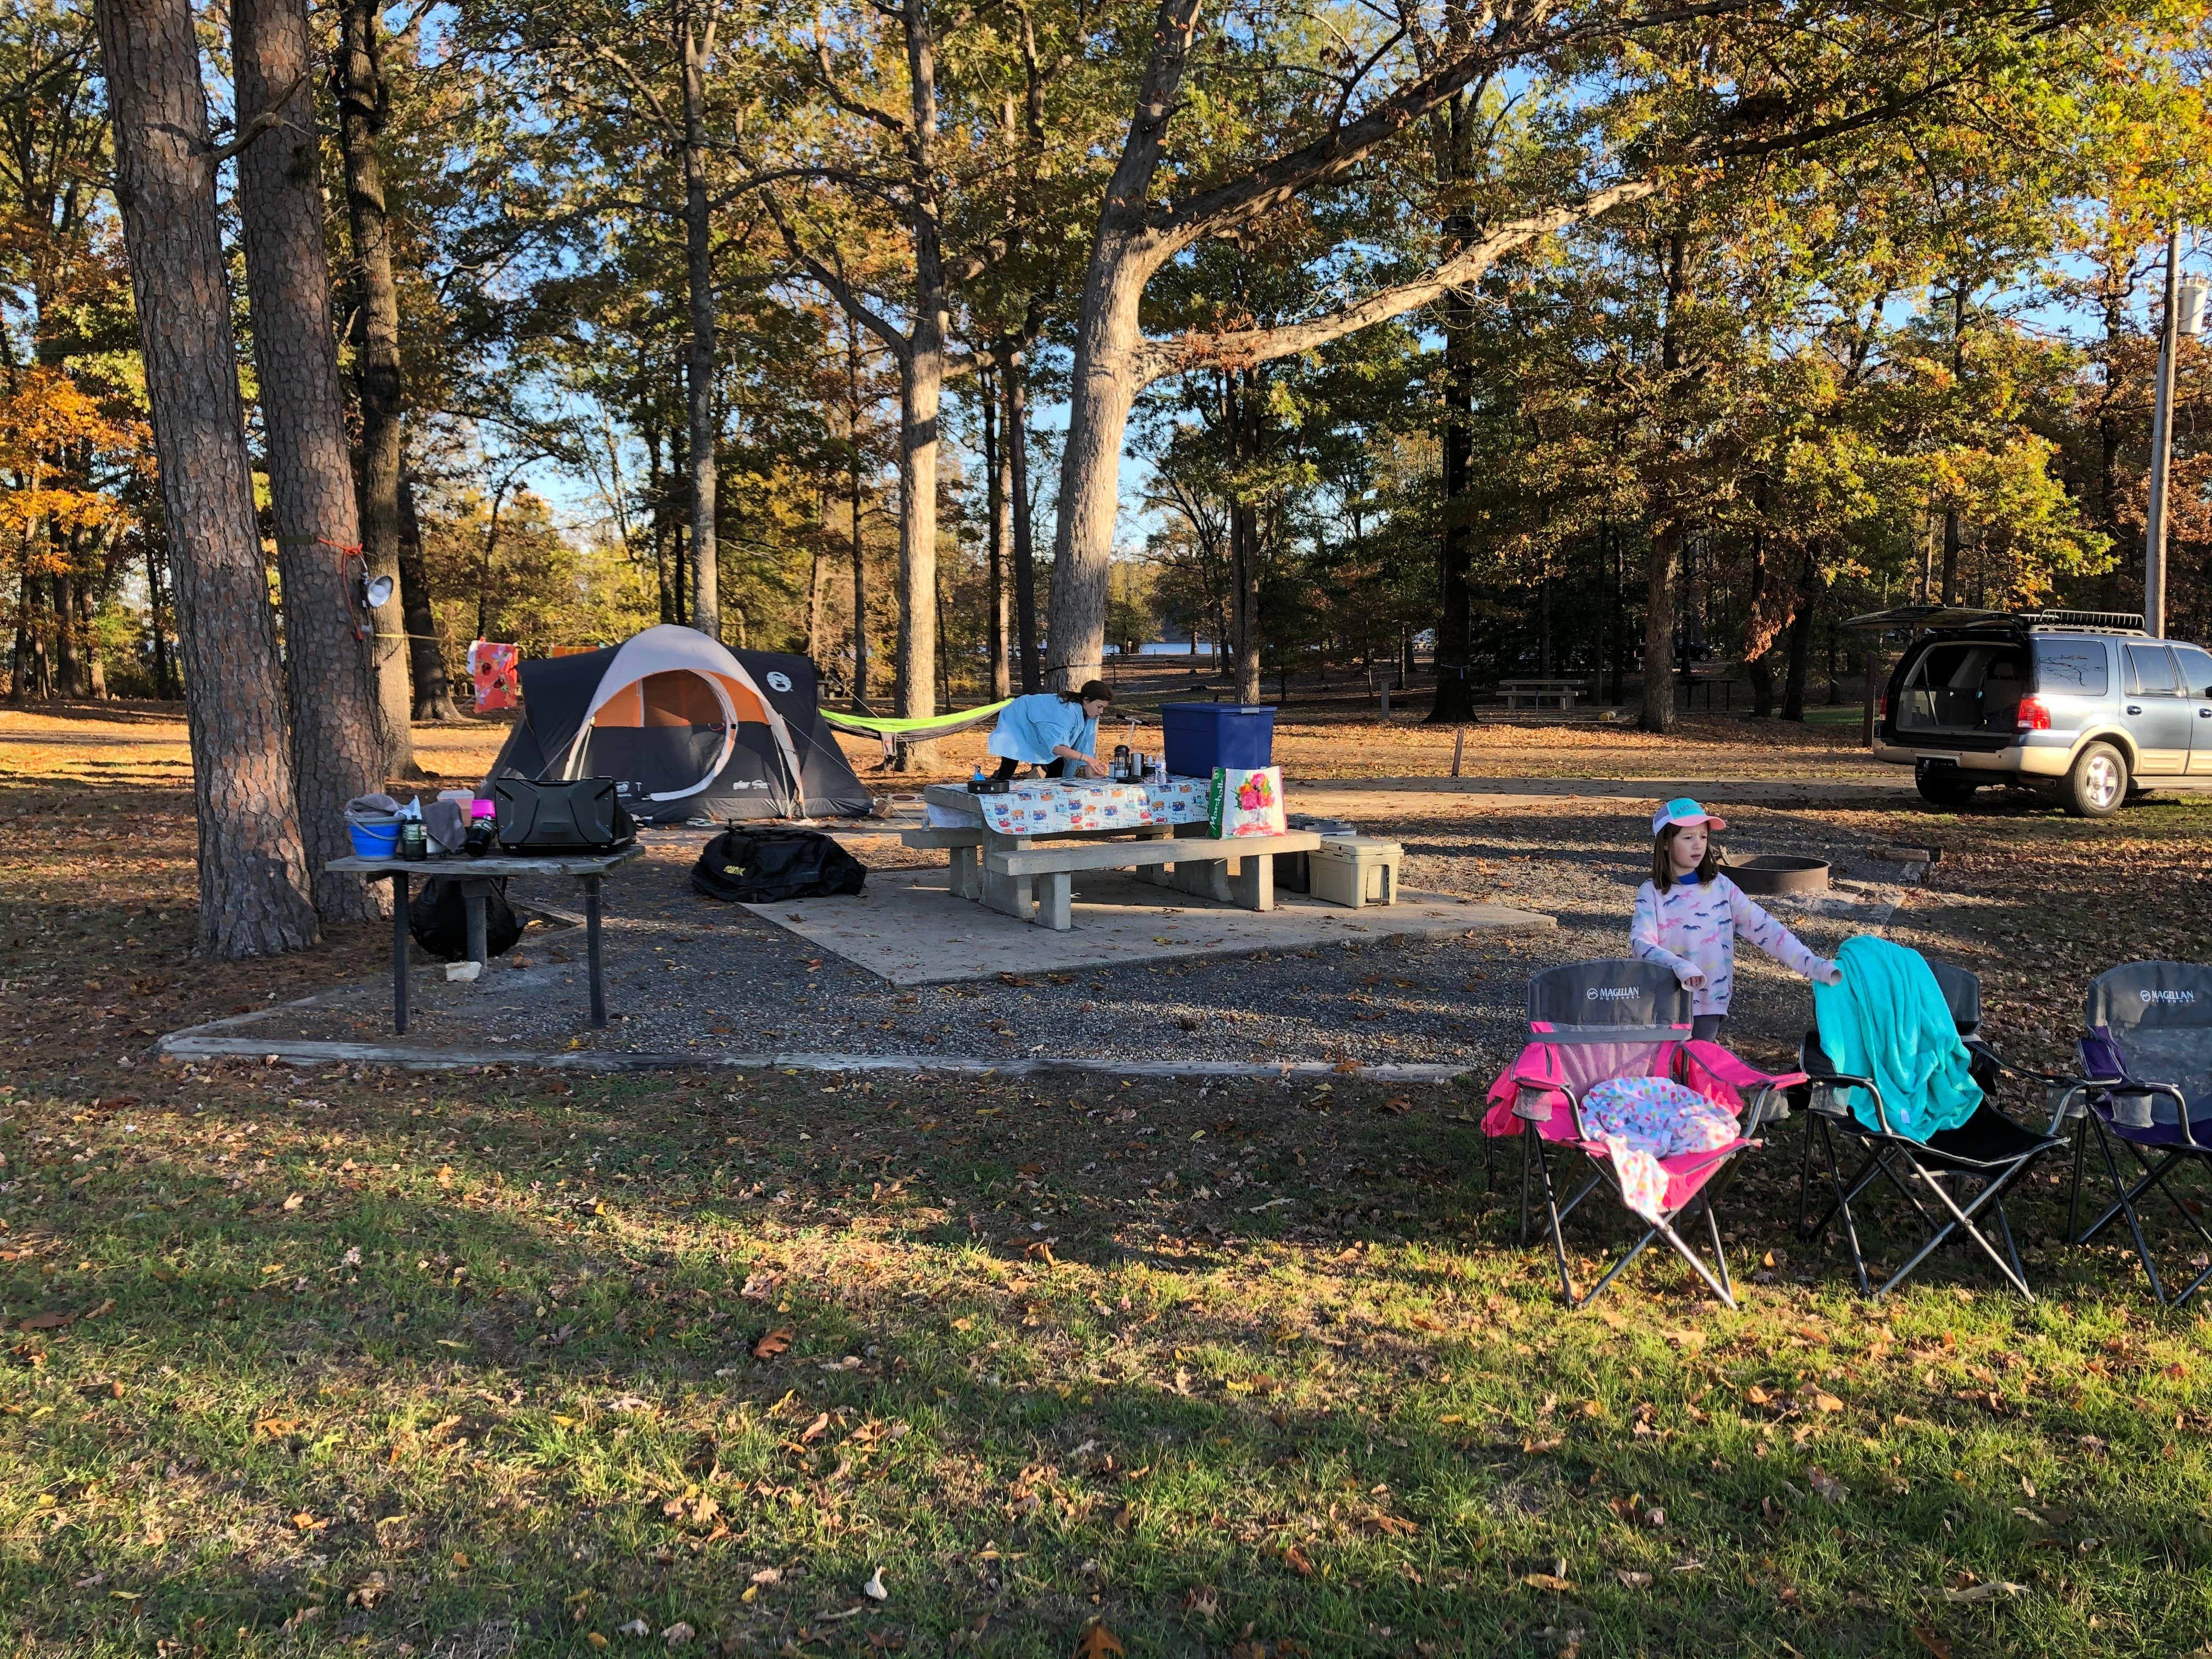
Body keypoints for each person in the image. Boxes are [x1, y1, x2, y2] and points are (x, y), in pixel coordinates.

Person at [1630, 797, 1841, 1040]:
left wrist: (1813, 966)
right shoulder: (1651, 893)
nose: (1698, 845)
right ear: (1665, 843)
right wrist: (1680, 967)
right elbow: (1642, 944)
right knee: (1666, 1073)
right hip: (1665, 1004)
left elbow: (1766, 928)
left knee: (1699, 1069)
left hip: (1711, 1003)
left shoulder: (1722, 888)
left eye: (1703, 836)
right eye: (1688, 838)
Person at [986, 681, 1114, 781]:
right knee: (1010, 762)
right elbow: (1057, 748)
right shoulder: (1065, 711)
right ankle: (993, 797)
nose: (1101, 712)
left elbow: (1084, 745)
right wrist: (1087, 759)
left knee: (1057, 767)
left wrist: (1089, 771)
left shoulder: (1089, 715)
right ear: (1086, 701)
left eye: (1104, 708)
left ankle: (1049, 799)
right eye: (1099, 707)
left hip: (1036, 725)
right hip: (1017, 717)